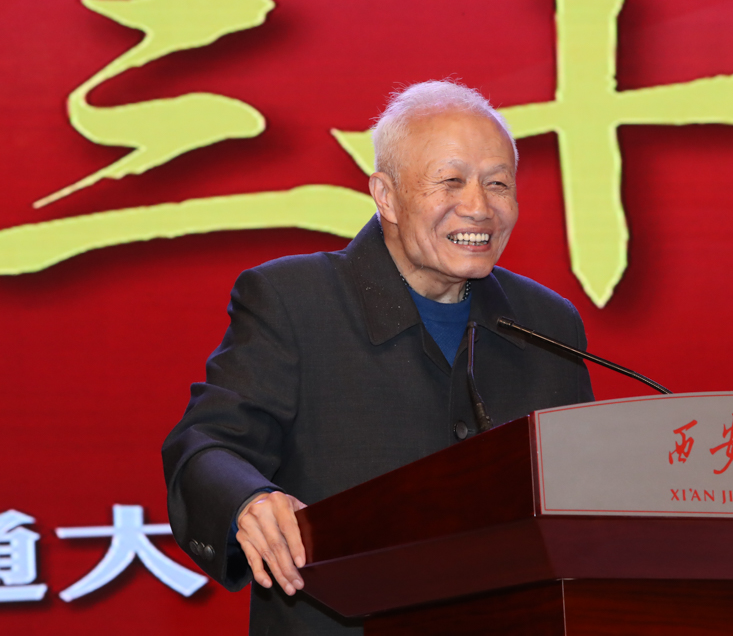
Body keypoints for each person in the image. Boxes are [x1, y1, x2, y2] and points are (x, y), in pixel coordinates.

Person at [162, 80, 594, 635]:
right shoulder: (295, 300)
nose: (479, 207)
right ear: (385, 195)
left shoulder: (548, 323)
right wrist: (248, 499)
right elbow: (207, 444)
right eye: (451, 181)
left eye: (498, 184)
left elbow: (583, 497)